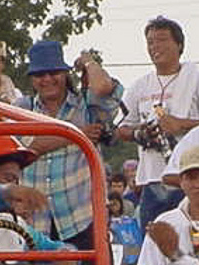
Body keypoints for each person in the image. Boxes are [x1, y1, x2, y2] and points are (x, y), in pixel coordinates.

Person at [16, 39, 122, 250]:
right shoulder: (22, 108)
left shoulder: (87, 104)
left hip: (83, 218)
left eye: (53, 72)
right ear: (32, 79)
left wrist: (88, 62)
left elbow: (103, 87)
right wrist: (78, 134)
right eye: (39, 74)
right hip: (35, 224)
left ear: (65, 74)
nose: (47, 79)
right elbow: (30, 148)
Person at [117, 16, 199, 227]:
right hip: (152, 180)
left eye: (162, 40)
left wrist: (180, 124)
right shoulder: (140, 85)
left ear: (179, 45)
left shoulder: (197, 80)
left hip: (189, 179)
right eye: (150, 42)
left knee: (192, 241)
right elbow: (120, 128)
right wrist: (142, 132)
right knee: (153, 244)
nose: (155, 46)